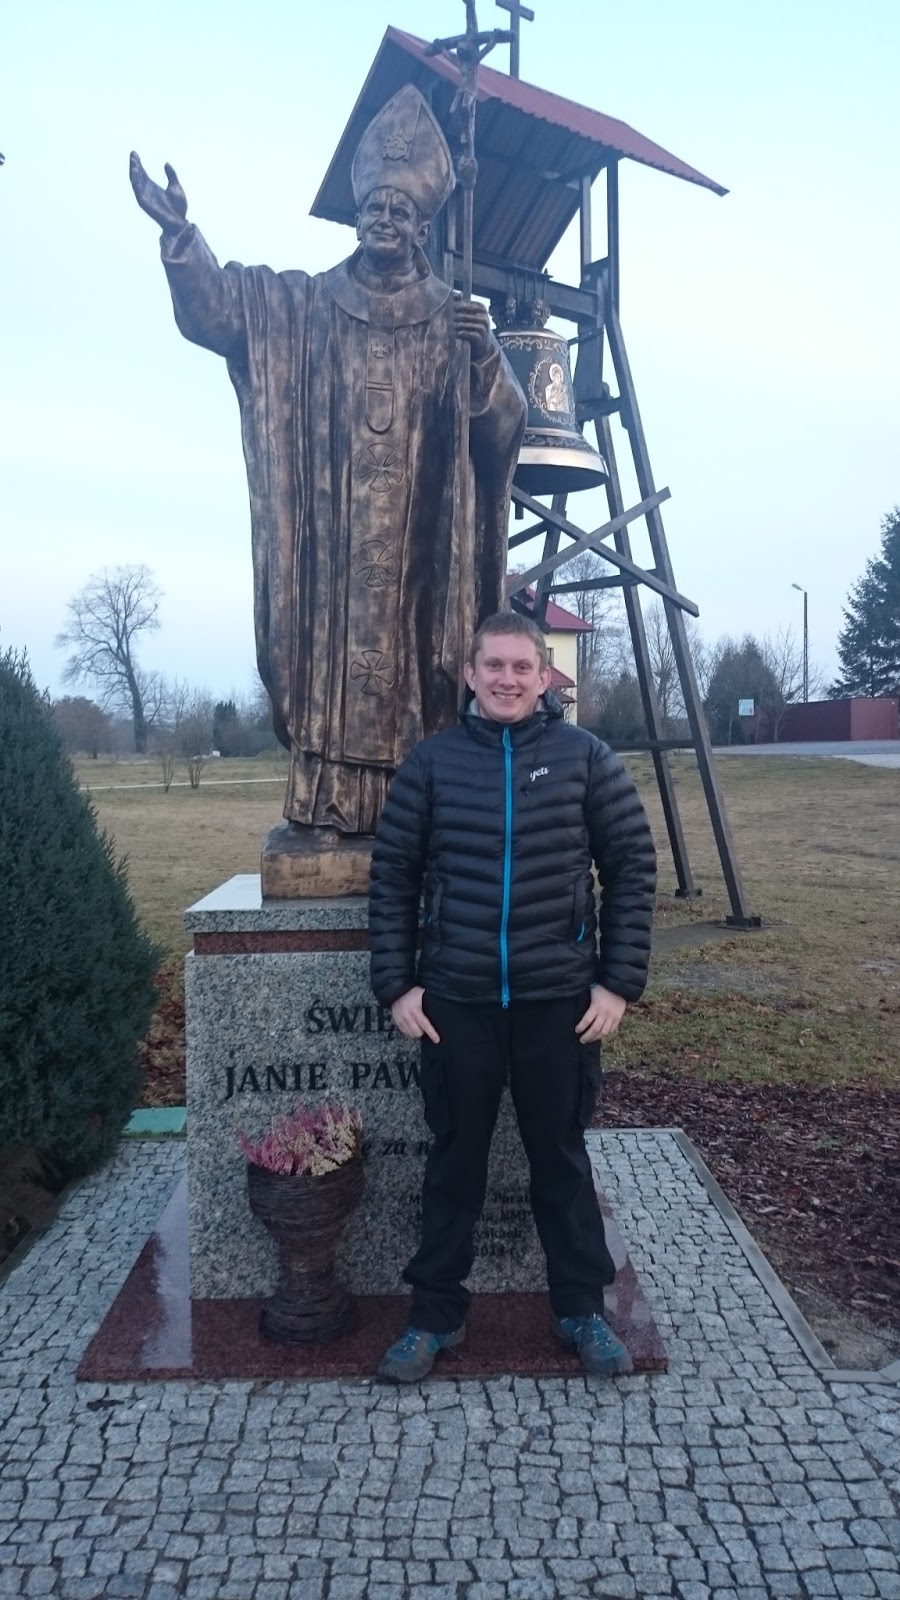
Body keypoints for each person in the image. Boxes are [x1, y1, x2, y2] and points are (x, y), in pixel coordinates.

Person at [129, 85, 525, 838]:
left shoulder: (454, 320)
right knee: (327, 672)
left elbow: (502, 431)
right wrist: (181, 235)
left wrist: (482, 361)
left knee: (416, 674)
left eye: (400, 210)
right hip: (331, 552)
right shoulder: (304, 307)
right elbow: (224, 311)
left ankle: (414, 819)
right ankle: (327, 807)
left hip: (418, 549)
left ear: (422, 227)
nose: (384, 218)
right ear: (358, 216)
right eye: (373, 206)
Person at [369, 610, 657, 1381]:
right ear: (470, 674)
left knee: (560, 1161)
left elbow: (632, 866)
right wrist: (397, 984)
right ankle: (434, 1315)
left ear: (543, 676)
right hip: (455, 1002)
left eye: (521, 667)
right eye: (493, 666)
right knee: (453, 1163)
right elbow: (393, 876)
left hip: (557, 1001)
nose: (506, 679)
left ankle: (582, 1309)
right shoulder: (431, 764)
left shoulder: (586, 758)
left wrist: (617, 983)